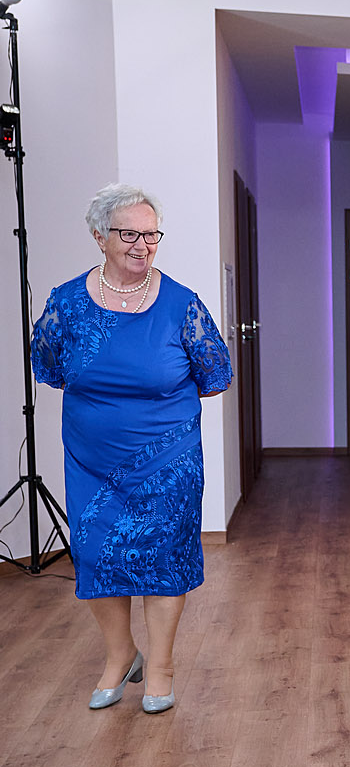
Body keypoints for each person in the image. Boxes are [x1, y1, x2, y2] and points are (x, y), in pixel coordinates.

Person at [30, 184, 233, 714]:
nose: (142, 245)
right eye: (129, 234)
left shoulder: (182, 304)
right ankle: (121, 655)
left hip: (167, 462)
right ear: (100, 237)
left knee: (163, 557)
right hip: (92, 462)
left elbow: (216, 374)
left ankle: (161, 667)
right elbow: (47, 366)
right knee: (96, 555)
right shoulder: (66, 303)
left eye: (151, 234)